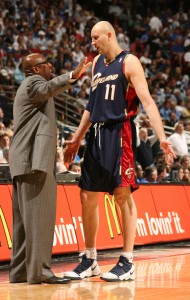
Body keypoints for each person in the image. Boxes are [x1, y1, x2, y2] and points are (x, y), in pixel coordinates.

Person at [64, 21, 176, 282]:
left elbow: (147, 100)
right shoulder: (95, 66)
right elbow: (90, 108)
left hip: (120, 132)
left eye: (95, 38)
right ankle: (90, 259)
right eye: (91, 38)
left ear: (109, 35)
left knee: (121, 194)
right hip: (97, 135)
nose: (92, 43)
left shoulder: (130, 62)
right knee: (87, 194)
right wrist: (76, 139)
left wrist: (162, 138)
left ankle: (127, 261)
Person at [8, 52, 91, 285]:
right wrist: (72, 76)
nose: (50, 65)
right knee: (40, 219)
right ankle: (40, 271)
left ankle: (21, 272)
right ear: (35, 70)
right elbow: (47, 88)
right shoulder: (35, 83)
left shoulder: (28, 85)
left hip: (24, 160)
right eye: (45, 63)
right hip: (34, 160)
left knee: (24, 223)